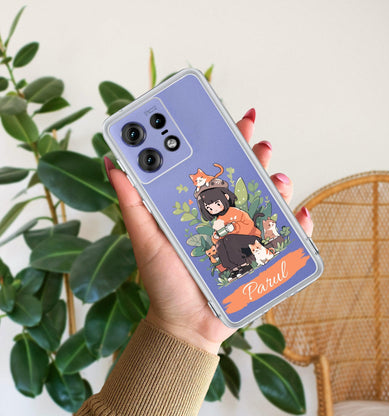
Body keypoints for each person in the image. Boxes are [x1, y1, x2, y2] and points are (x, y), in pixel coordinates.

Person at [76, 108, 313, 416]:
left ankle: (255, 255)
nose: (214, 207)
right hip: (227, 260)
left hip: (248, 241)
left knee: (237, 238)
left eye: (216, 202)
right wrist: (185, 330)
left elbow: (246, 226)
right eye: (209, 205)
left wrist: (185, 331)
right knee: (224, 247)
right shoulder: (215, 224)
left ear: (225, 199)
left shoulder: (236, 213)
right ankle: (242, 264)